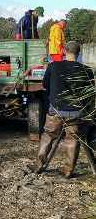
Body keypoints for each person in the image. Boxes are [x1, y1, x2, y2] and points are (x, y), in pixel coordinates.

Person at [37, 41, 95, 177]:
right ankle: (68, 171)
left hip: (56, 111)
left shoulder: (53, 66)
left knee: (48, 136)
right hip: (76, 113)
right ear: (79, 53)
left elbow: (45, 85)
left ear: (64, 51)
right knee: (72, 140)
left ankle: (39, 165)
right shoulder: (87, 70)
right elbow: (90, 94)